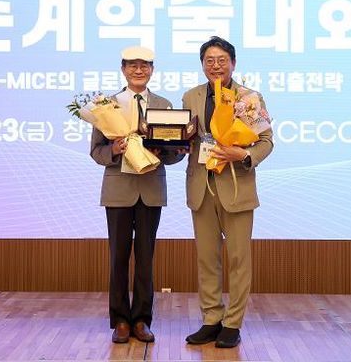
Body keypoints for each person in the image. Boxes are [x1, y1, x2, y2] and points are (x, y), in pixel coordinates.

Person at [182, 36, 273, 348]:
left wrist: (243, 155)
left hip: (236, 185)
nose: (216, 66)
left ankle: (232, 323)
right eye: (209, 60)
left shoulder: (249, 98)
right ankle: (211, 319)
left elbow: (266, 141)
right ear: (202, 65)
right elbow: (188, 138)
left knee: (238, 260)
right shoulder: (191, 96)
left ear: (233, 63)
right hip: (201, 186)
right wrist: (177, 141)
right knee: (207, 259)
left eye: (222, 60)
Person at [90, 46, 183, 344]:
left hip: (151, 189)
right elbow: (96, 152)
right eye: (132, 65)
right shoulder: (107, 105)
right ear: (123, 69)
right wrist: (115, 149)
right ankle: (120, 321)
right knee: (118, 258)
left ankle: (142, 320)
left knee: (145, 259)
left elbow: (174, 153)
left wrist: (168, 150)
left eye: (144, 65)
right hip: (118, 190)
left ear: (152, 70)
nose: (138, 70)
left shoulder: (164, 105)